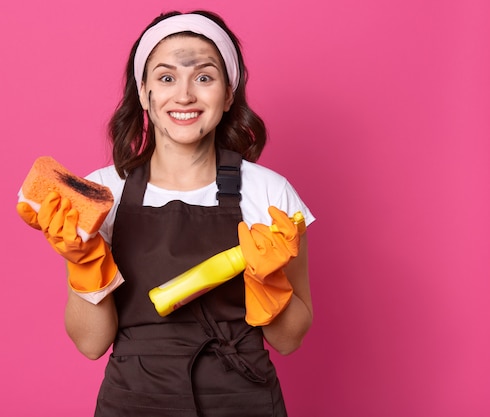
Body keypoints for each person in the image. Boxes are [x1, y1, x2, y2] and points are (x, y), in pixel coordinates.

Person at [17, 9, 315, 417]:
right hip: (135, 401)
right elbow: (91, 344)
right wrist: (86, 264)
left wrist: (270, 283)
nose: (185, 95)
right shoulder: (103, 192)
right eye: (166, 77)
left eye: (204, 77)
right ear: (144, 93)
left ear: (228, 94)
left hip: (243, 401)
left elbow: (288, 340)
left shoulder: (269, 192)